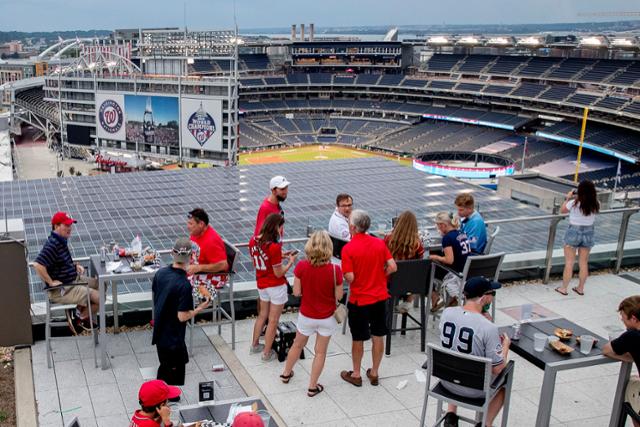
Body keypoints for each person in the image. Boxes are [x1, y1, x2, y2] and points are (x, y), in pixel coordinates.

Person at [439, 277, 511, 427]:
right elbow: (498, 368)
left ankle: (450, 413)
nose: (492, 298)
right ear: (484, 298)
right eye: (493, 294)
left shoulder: (447, 313)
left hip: (446, 382)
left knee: (457, 359)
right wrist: (505, 346)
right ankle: (486, 423)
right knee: (506, 377)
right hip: (474, 390)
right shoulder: (488, 327)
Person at [280, 231, 344, 397]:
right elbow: (339, 296)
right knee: (320, 352)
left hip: (306, 316)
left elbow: (296, 292)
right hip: (327, 317)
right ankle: (312, 386)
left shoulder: (301, 266)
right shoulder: (336, 270)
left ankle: (286, 373)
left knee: (297, 345)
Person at [340, 210, 397, 387]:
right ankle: (374, 372)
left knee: (358, 337)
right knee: (378, 335)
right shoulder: (379, 243)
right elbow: (393, 267)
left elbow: (350, 277)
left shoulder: (348, 248)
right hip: (380, 297)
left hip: (359, 299)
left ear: (353, 227)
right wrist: (381, 276)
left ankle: (356, 374)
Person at [152, 238, 210, 388]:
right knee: (171, 379)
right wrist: (199, 308)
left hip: (160, 333)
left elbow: (159, 295)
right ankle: (163, 402)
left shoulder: (160, 273)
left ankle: (158, 397)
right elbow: (182, 316)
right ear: (191, 257)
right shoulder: (184, 285)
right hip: (173, 338)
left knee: (164, 367)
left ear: (172, 253)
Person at [33, 211, 100, 335]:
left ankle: (79, 310)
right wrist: (51, 282)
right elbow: (37, 265)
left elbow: (59, 263)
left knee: (102, 284)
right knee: (100, 298)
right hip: (63, 289)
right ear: (56, 226)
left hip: (72, 280)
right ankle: (78, 318)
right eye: (66, 225)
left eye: (70, 225)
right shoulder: (52, 244)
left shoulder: (60, 240)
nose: (70, 228)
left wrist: (74, 266)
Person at [249, 214, 297, 361]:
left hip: (261, 283)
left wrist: (281, 256)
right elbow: (278, 273)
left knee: (262, 315)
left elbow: (260, 259)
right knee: (273, 320)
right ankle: (266, 353)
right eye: (281, 227)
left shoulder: (253, 241)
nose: (281, 230)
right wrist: (290, 262)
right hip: (275, 286)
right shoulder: (274, 246)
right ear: (276, 227)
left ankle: (255, 345)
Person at [555, 180, 600, 296]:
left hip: (573, 231)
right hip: (589, 231)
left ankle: (564, 288)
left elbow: (562, 211)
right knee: (583, 262)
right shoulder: (596, 203)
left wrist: (567, 198)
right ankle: (580, 288)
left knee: (569, 262)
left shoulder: (574, 203)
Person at [603, 296, 640, 427]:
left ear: (634, 318)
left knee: (631, 390)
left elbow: (607, 350)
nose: (622, 320)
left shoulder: (632, 336)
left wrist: (630, 356)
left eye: (623, 317)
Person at [384, 210, 425, 312]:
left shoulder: (388, 239)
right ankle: (408, 301)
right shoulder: (417, 244)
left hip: (390, 283)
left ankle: (386, 307)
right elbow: (419, 265)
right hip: (409, 286)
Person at [429, 212, 471, 310]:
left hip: (455, 272)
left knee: (428, 267)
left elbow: (449, 260)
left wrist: (435, 257)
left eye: (438, 226)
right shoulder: (462, 233)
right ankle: (450, 298)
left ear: (443, 225)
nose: (438, 228)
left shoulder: (447, 238)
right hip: (466, 269)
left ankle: (435, 295)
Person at [187, 208, 229, 299]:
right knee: (167, 277)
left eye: (191, 224)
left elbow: (223, 265)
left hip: (215, 278)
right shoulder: (196, 233)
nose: (188, 226)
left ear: (201, 224)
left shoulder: (211, 241)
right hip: (198, 272)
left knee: (177, 287)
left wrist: (199, 268)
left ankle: (186, 312)